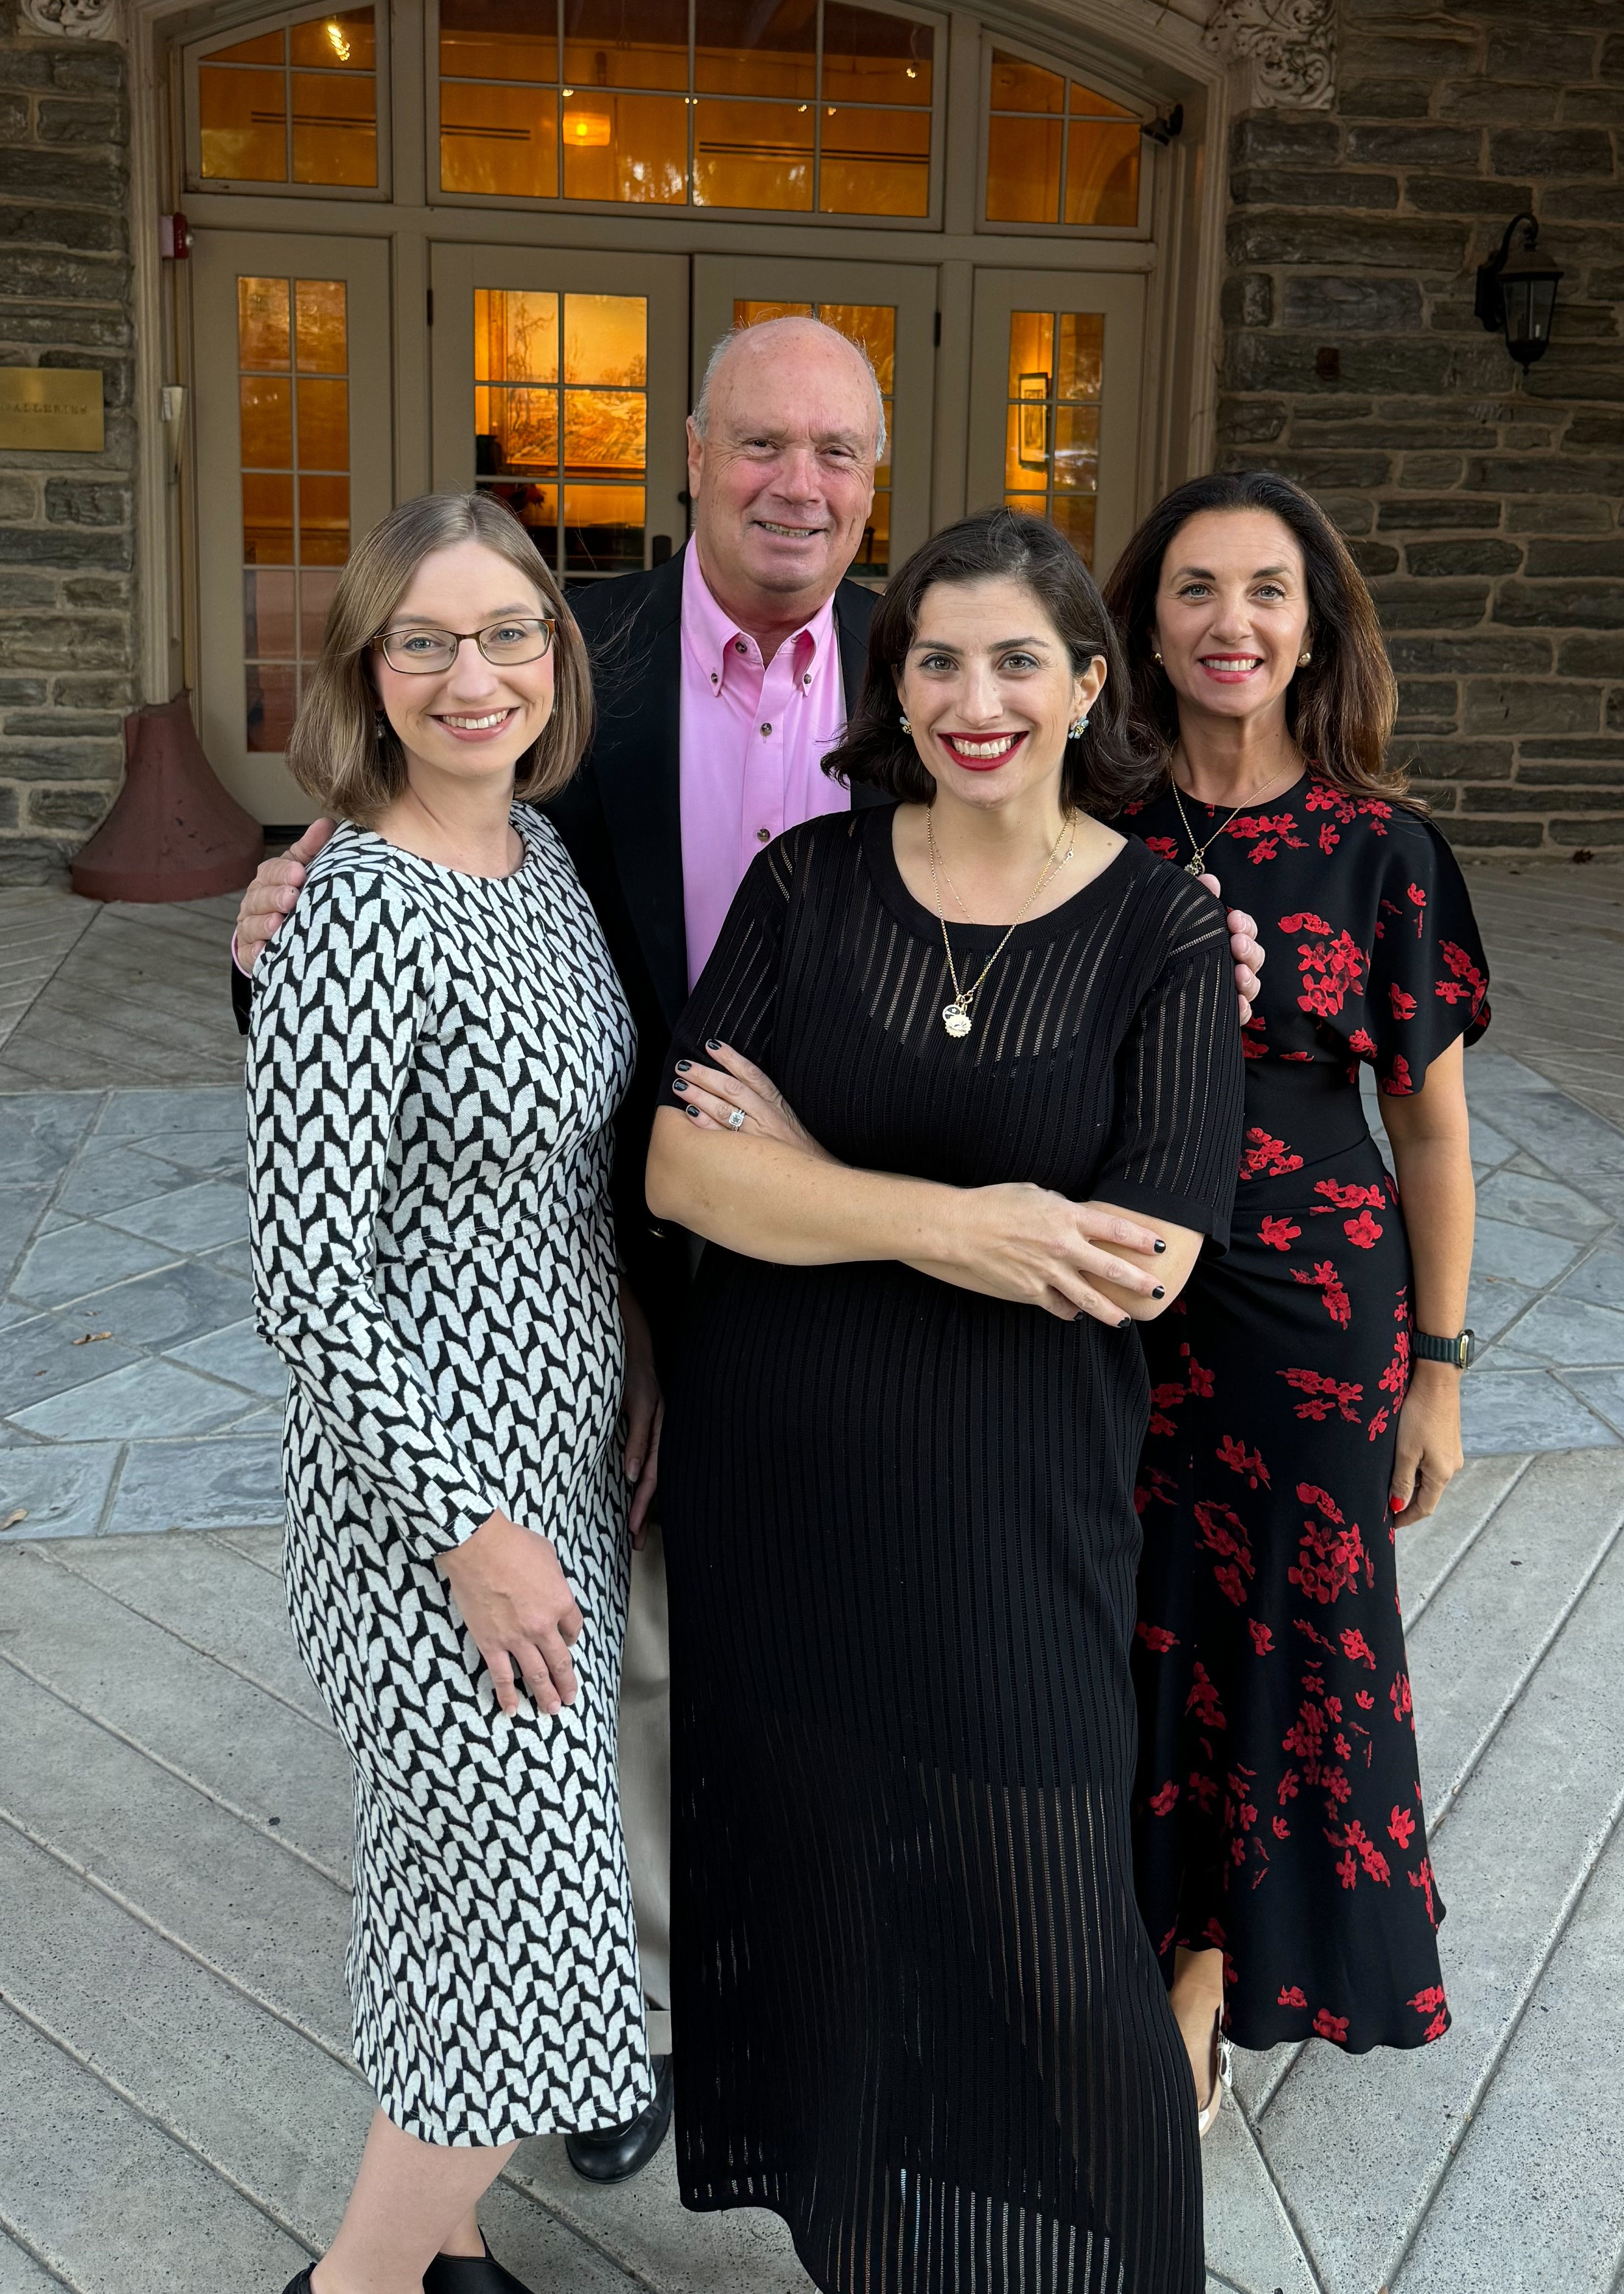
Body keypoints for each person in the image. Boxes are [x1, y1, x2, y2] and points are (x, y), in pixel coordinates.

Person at [229, 317, 1269, 2184]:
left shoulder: (926, 649)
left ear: (876, 480)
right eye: (763, 444)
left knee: (831, 1658)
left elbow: (1054, 840)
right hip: (617, 1246)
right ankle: (626, 2028)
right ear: (692, 454)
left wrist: (1197, 956)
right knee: (617, 1680)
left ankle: (840, 1992)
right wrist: (276, 939)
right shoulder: (556, 655)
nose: (800, 483)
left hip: (872, 1278)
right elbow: (395, 900)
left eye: (839, 452)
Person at [645, 507, 1247, 2294]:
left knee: (1053, 1916)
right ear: (893, 687)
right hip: (784, 1486)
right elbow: (685, 1171)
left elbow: (1142, 1261)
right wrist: (965, 1221)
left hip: (1016, 1498)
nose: (977, 701)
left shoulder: (1160, 925)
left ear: (1088, 684)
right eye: (937, 661)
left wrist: (816, 1180)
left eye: (1016, 662)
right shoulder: (807, 884)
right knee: (828, 1886)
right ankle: (869, 2253)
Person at [248, 490, 661, 2294]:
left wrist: (629, 1340)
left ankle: (452, 2248)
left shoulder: (541, 859)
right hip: (428, 1511)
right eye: (424, 640)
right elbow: (308, 1272)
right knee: (530, 1917)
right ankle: (356, 2278)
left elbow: (561, 1164)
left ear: (554, 655)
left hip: (561, 1465)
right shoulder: (356, 904)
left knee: (456, 1898)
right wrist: (471, 1530)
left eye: (507, 632)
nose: (470, 673)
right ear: (368, 668)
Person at [1100, 471, 1490, 2128]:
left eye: (1268, 590)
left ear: (1316, 627)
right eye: (1196, 587)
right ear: (1146, 621)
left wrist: (1440, 1372)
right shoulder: (1087, 822)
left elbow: (1433, 1130)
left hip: (1310, 1320)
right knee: (1118, 1619)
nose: (1232, 622)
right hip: (1105, 1298)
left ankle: (1201, 1981)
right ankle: (1100, 1937)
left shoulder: (1382, 849)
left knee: (1267, 1643)